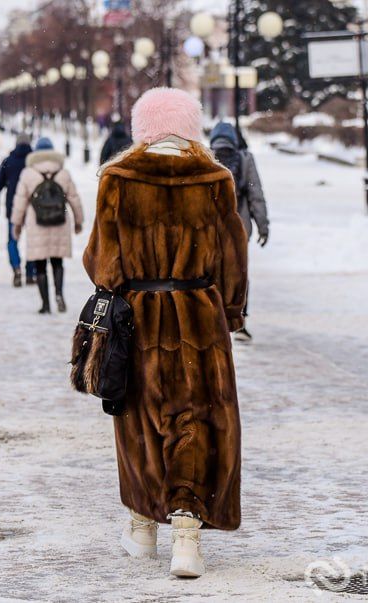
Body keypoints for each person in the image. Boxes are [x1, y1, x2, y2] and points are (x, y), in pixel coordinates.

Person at [83, 88, 247, 578]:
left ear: (143, 130)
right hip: (199, 315)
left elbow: (101, 263)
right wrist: (230, 312)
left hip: (137, 316)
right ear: (191, 127)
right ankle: (187, 537)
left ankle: (141, 527)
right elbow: (233, 257)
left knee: (139, 417)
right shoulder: (215, 179)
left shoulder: (118, 179)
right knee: (194, 418)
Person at [209, 121, 269, 342]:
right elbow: (256, 195)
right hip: (240, 227)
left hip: (212, 228)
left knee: (212, 272)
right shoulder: (245, 159)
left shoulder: (207, 158)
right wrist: (263, 226)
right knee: (239, 273)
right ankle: (240, 320)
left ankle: (214, 318)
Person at [11, 137, 83, 313]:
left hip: (37, 225)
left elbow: (20, 203)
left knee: (40, 266)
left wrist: (16, 225)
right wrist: (78, 221)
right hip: (60, 222)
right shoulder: (63, 173)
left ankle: (45, 305)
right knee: (58, 262)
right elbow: (74, 199)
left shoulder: (28, 174)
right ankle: (59, 294)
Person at [0, 133, 37, 287]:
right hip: (32, 208)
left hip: (13, 208)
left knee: (12, 240)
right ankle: (30, 273)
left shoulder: (8, 161)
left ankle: (16, 268)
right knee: (32, 240)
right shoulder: (34, 162)